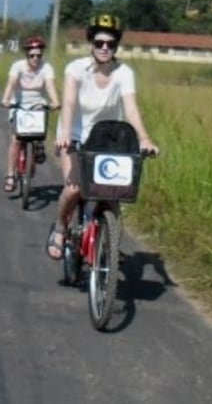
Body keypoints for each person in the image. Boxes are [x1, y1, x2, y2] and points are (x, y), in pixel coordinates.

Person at [46, 14, 160, 260]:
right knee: (75, 189)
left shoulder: (124, 73)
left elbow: (130, 108)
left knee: (112, 195)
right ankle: (59, 227)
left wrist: (144, 139)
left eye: (111, 44)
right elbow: (68, 101)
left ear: (116, 46)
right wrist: (65, 133)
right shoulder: (76, 69)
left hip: (106, 138)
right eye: (99, 43)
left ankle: (109, 242)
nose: (105, 48)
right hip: (75, 135)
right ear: (91, 44)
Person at [0, 36, 60, 193]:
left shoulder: (46, 68)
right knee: (16, 139)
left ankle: (38, 147)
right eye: (32, 55)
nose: (35, 58)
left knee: (38, 135)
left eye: (38, 55)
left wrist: (55, 101)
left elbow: (50, 86)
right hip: (19, 105)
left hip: (38, 105)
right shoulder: (17, 66)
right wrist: (6, 99)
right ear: (26, 55)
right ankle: (10, 175)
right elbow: (11, 83)